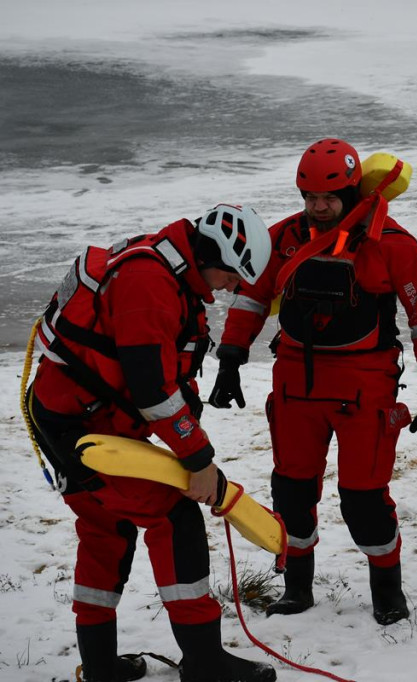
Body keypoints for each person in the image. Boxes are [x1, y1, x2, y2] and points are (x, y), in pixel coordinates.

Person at [208, 138, 417, 626]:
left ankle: (387, 591)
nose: (318, 208)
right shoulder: (284, 238)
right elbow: (253, 297)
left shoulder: (392, 243)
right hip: (295, 385)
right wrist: (231, 358)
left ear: (350, 190)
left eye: (328, 199)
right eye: (309, 199)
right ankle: (297, 588)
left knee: (364, 500)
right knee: (292, 493)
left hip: (365, 388)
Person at [26, 205, 276, 682]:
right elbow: (151, 390)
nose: (229, 288)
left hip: (71, 418)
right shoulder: (150, 284)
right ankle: (204, 663)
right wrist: (198, 458)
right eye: (229, 276)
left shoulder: (168, 266)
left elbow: (160, 373)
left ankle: (100, 667)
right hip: (81, 429)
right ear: (211, 254)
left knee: (106, 529)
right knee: (174, 516)